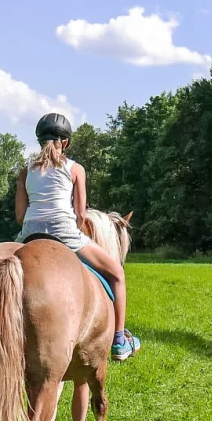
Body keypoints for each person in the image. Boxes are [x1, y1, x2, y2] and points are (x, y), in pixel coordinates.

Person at [14, 113, 140, 361]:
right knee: (116, 273)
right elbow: (81, 214)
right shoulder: (75, 169)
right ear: (66, 142)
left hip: (29, 233)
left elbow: (20, 215)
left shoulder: (25, 172)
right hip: (65, 233)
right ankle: (118, 342)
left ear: (40, 141)